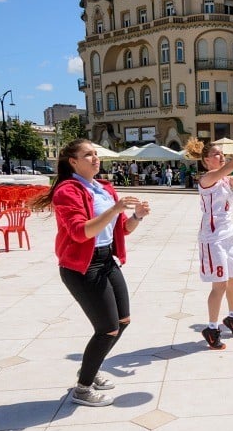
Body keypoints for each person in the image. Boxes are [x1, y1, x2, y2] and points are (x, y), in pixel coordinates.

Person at [29, 139, 149, 407]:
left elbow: (122, 230)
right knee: (106, 328)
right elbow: (80, 232)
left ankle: (89, 371)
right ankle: (82, 389)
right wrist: (115, 209)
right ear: (73, 162)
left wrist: (137, 216)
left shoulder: (104, 188)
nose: (95, 158)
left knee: (123, 321)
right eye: (88, 155)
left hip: (106, 260)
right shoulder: (66, 191)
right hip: (82, 266)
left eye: (96, 154)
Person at [185, 136, 233, 349]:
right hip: (212, 239)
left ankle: (232, 318)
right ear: (206, 161)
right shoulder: (207, 179)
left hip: (228, 235)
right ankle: (212, 327)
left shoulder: (225, 179)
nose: (221, 156)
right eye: (216, 154)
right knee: (220, 285)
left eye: (221, 153)